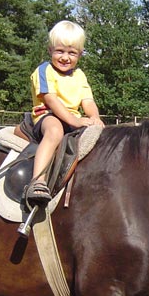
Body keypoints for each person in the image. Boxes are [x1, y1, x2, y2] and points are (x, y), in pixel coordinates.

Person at [14, 20, 104, 206]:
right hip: (47, 115)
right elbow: (50, 99)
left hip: (72, 119)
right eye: (60, 51)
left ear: (80, 54)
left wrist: (94, 117)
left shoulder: (79, 75)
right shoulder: (44, 70)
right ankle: (37, 181)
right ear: (50, 50)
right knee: (55, 131)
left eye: (72, 53)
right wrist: (75, 120)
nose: (65, 57)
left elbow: (87, 100)